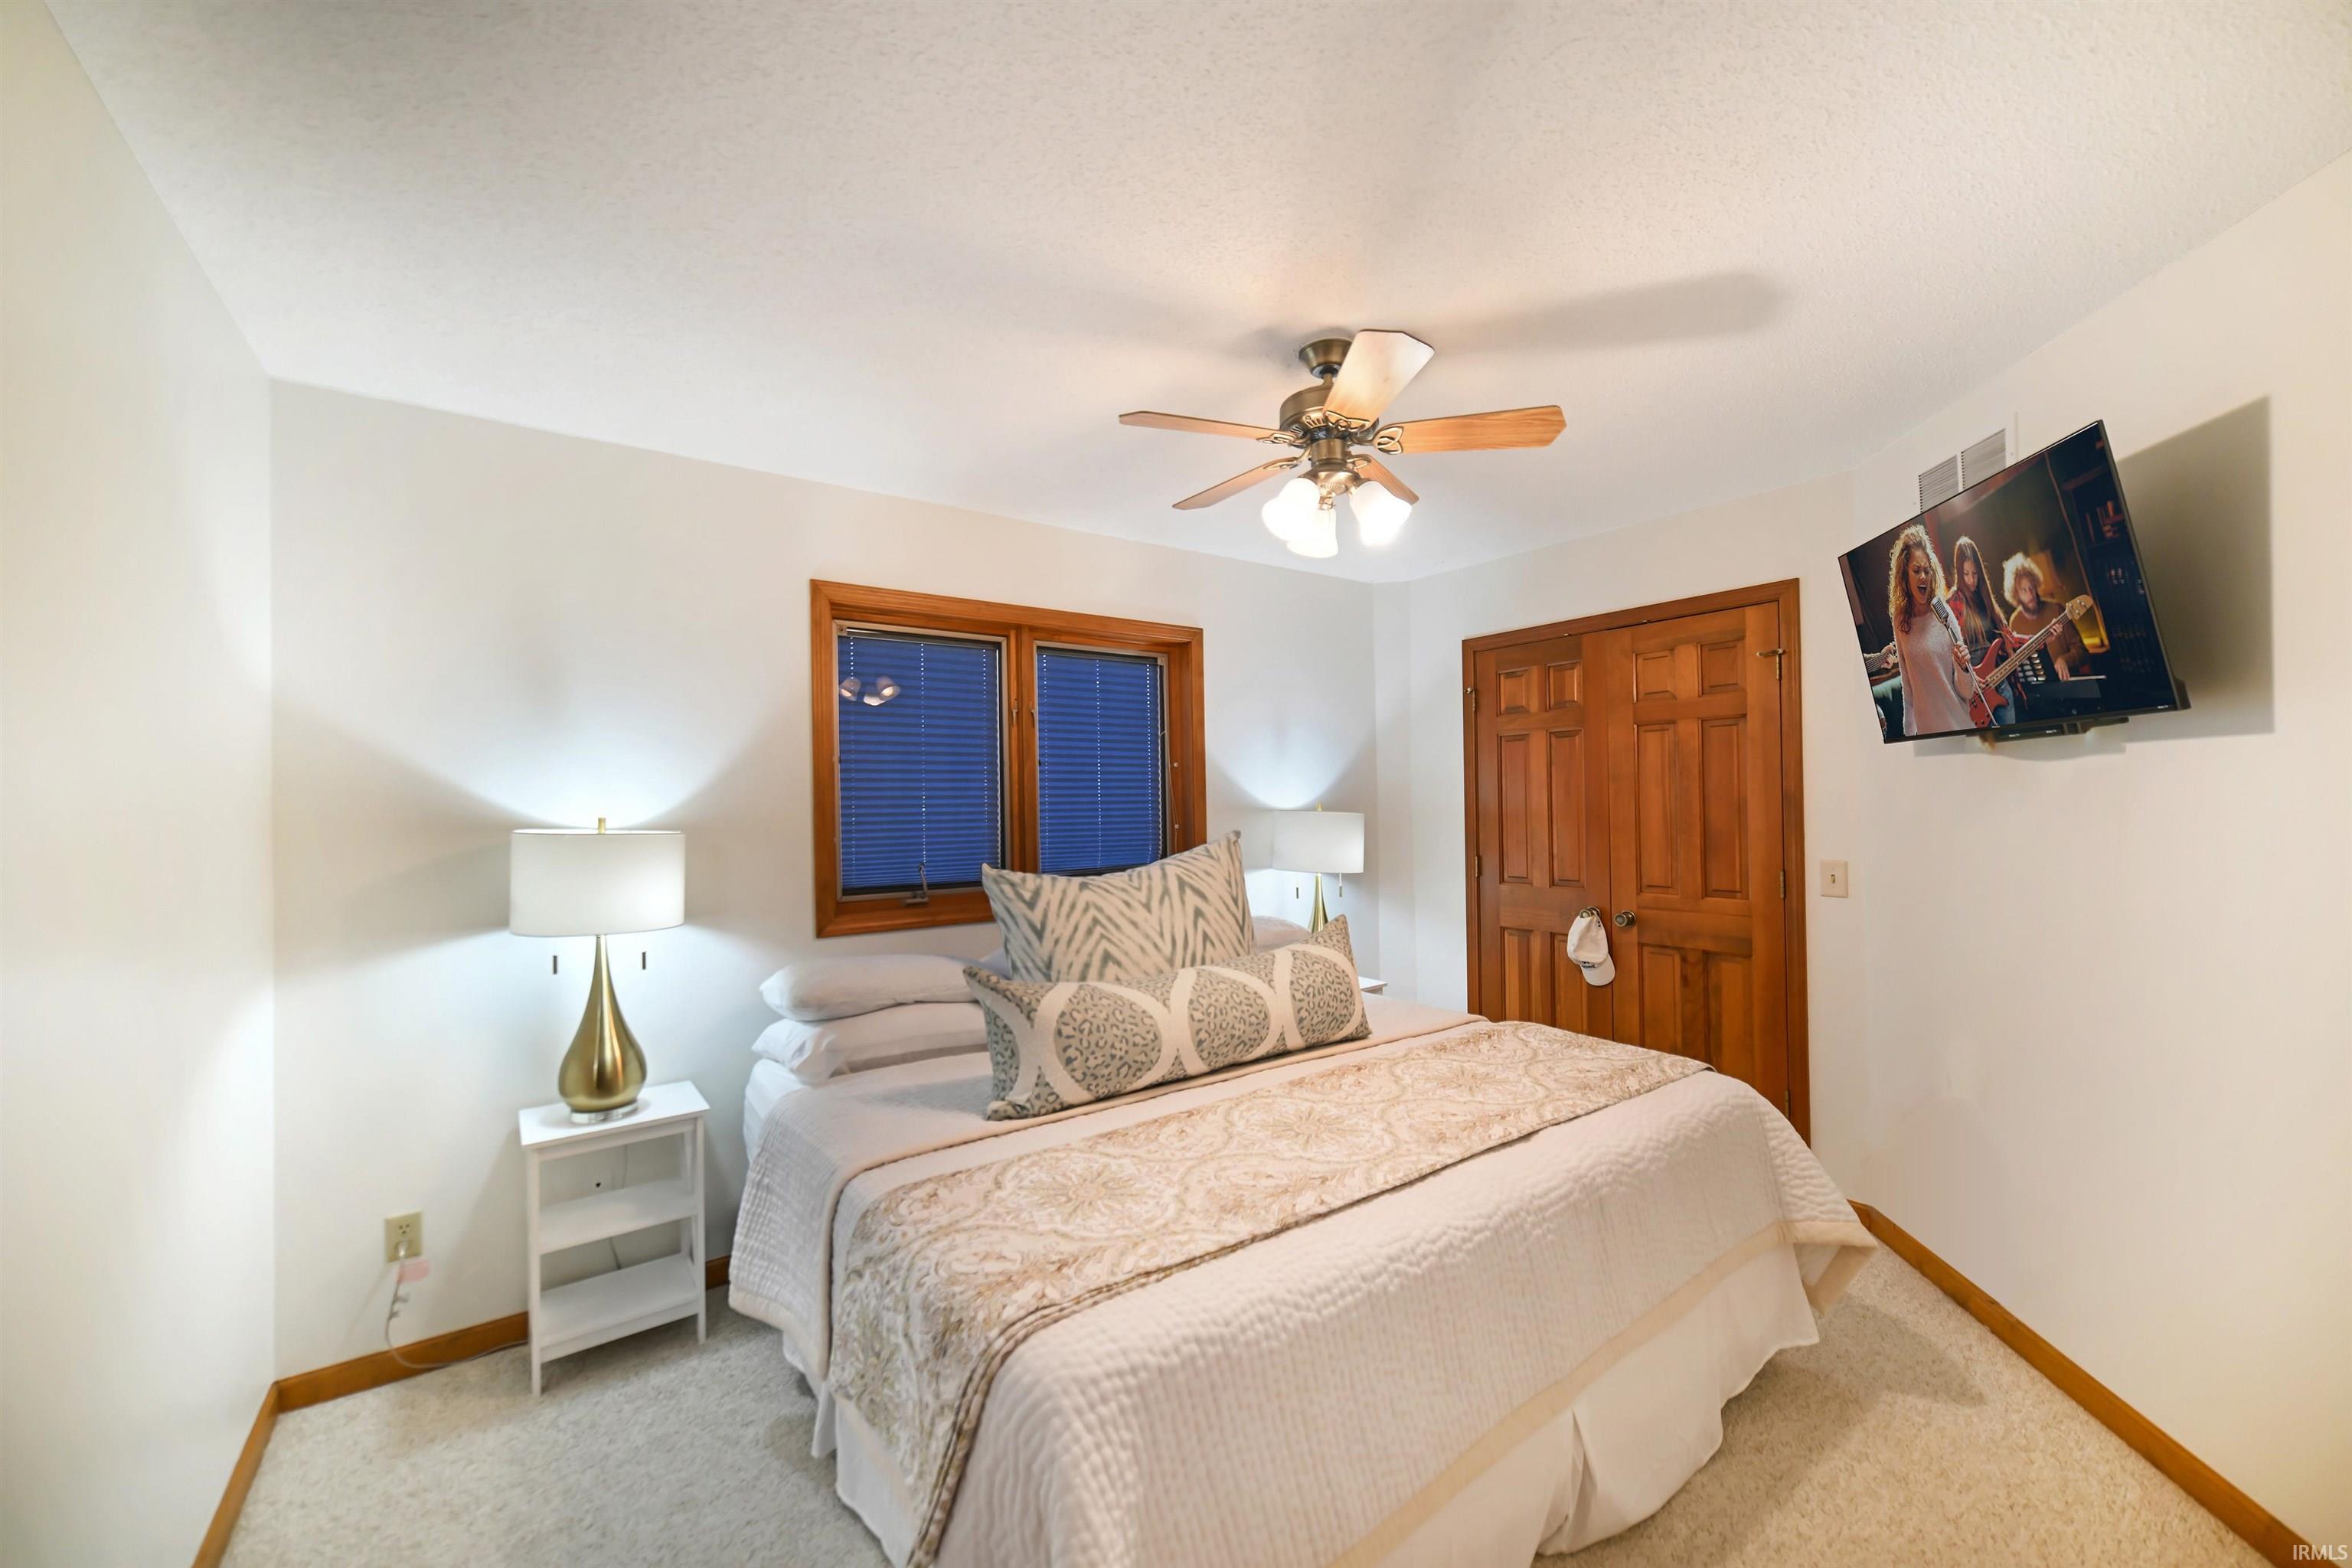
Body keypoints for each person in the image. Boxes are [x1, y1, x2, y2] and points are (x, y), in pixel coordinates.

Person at [1864, 524, 1985, 736]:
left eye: (1927, 571)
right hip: (1926, 734)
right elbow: (1908, 686)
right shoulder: (1900, 619)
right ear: (1905, 574)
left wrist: (1964, 668)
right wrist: (1908, 735)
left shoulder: (1944, 614)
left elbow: (1967, 691)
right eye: (1916, 570)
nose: (1923, 577)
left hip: (1958, 727)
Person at [2002, 553, 2090, 678]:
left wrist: (2065, 660)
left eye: (2032, 587)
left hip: (2068, 682)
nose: (2031, 594)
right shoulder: (2015, 622)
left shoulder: (2057, 609)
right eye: (2024, 590)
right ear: (2016, 594)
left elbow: (2082, 651)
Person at [1947, 537, 2013, 658]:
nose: (1971, 580)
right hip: (1972, 675)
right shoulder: (1953, 602)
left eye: (1975, 573)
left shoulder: (1985, 597)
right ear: (1959, 573)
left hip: (1998, 669)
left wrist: (2040, 639)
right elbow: (1952, 650)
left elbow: (2010, 638)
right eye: (1966, 574)